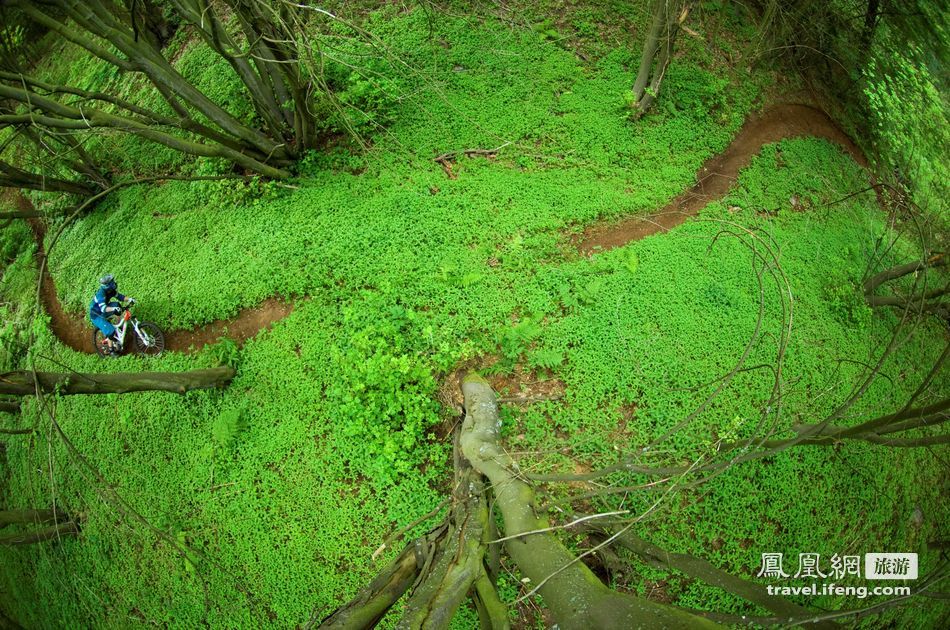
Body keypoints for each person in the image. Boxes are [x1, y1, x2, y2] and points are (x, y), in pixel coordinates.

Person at [89, 274, 134, 353]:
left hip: (103, 310)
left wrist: (130, 299)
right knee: (111, 331)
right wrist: (113, 309)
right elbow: (103, 308)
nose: (114, 283)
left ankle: (118, 326)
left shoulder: (110, 291)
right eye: (111, 282)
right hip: (97, 315)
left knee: (117, 306)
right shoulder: (101, 294)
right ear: (107, 285)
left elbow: (120, 297)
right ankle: (111, 350)